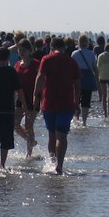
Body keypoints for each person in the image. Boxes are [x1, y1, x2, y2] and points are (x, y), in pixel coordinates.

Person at [34, 38, 80, 174]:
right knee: (62, 135)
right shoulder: (71, 61)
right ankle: (59, 166)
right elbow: (77, 84)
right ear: (64, 48)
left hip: (49, 102)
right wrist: (76, 102)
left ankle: (52, 163)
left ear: (51, 47)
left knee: (52, 135)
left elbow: (40, 78)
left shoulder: (46, 59)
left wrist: (35, 96)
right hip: (66, 103)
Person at [14, 38, 40, 157]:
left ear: (30, 50)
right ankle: (31, 141)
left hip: (33, 98)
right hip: (20, 98)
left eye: (23, 50)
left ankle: (29, 153)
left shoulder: (36, 64)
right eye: (19, 50)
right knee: (15, 124)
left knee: (29, 125)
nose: (21, 52)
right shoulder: (17, 64)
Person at [71, 35, 98, 126]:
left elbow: (72, 67)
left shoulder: (74, 54)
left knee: (76, 99)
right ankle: (84, 121)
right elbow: (94, 67)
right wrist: (96, 79)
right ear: (87, 42)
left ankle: (76, 118)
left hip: (77, 78)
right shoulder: (91, 54)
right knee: (86, 101)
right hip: (88, 78)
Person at [97, 42, 109, 118]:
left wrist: (97, 76)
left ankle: (105, 112)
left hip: (102, 76)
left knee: (104, 95)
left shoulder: (100, 56)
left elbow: (98, 67)